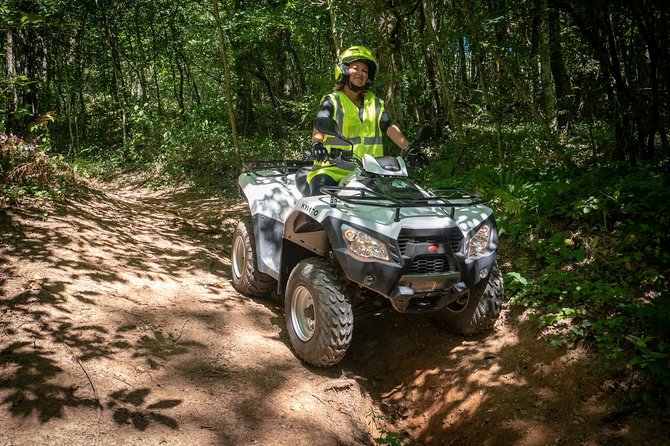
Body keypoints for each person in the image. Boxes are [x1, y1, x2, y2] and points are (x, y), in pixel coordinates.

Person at [308, 45, 411, 196]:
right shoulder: (332, 100)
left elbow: (388, 127)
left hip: (371, 172)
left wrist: (409, 148)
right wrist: (317, 144)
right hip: (332, 170)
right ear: (344, 70)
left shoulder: (374, 102)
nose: (360, 73)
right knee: (319, 201)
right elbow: (321, 123)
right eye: (355, 68)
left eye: (365, 71)